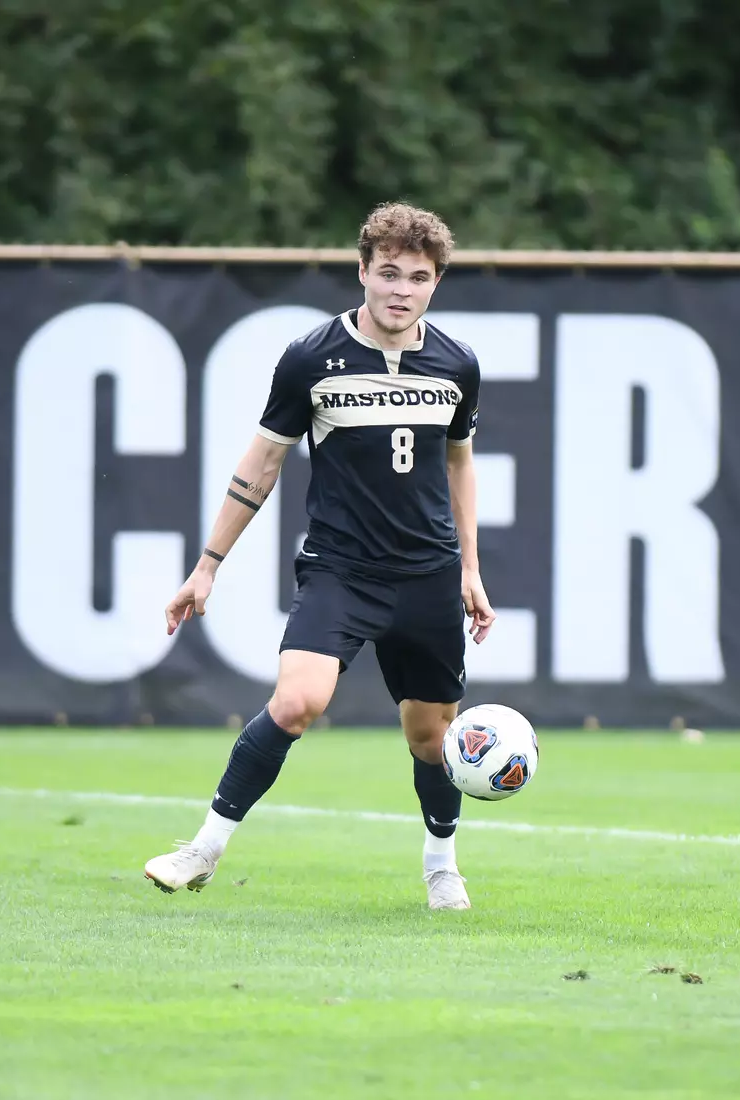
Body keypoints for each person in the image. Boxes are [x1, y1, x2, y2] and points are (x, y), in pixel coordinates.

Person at [143, 201, 496, 911]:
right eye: (388, 272)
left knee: (434, 738)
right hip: (342, 569)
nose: (401, 289)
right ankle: (203, 848)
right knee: (299, 701)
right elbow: (262, 464)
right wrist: (207, 564)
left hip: (427, 575)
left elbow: (459, 463)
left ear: (436, 284)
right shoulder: (312, 359)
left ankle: (441, 867)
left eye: (418, 277)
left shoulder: (457, 364)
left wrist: (469, 569)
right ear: (362, 271)